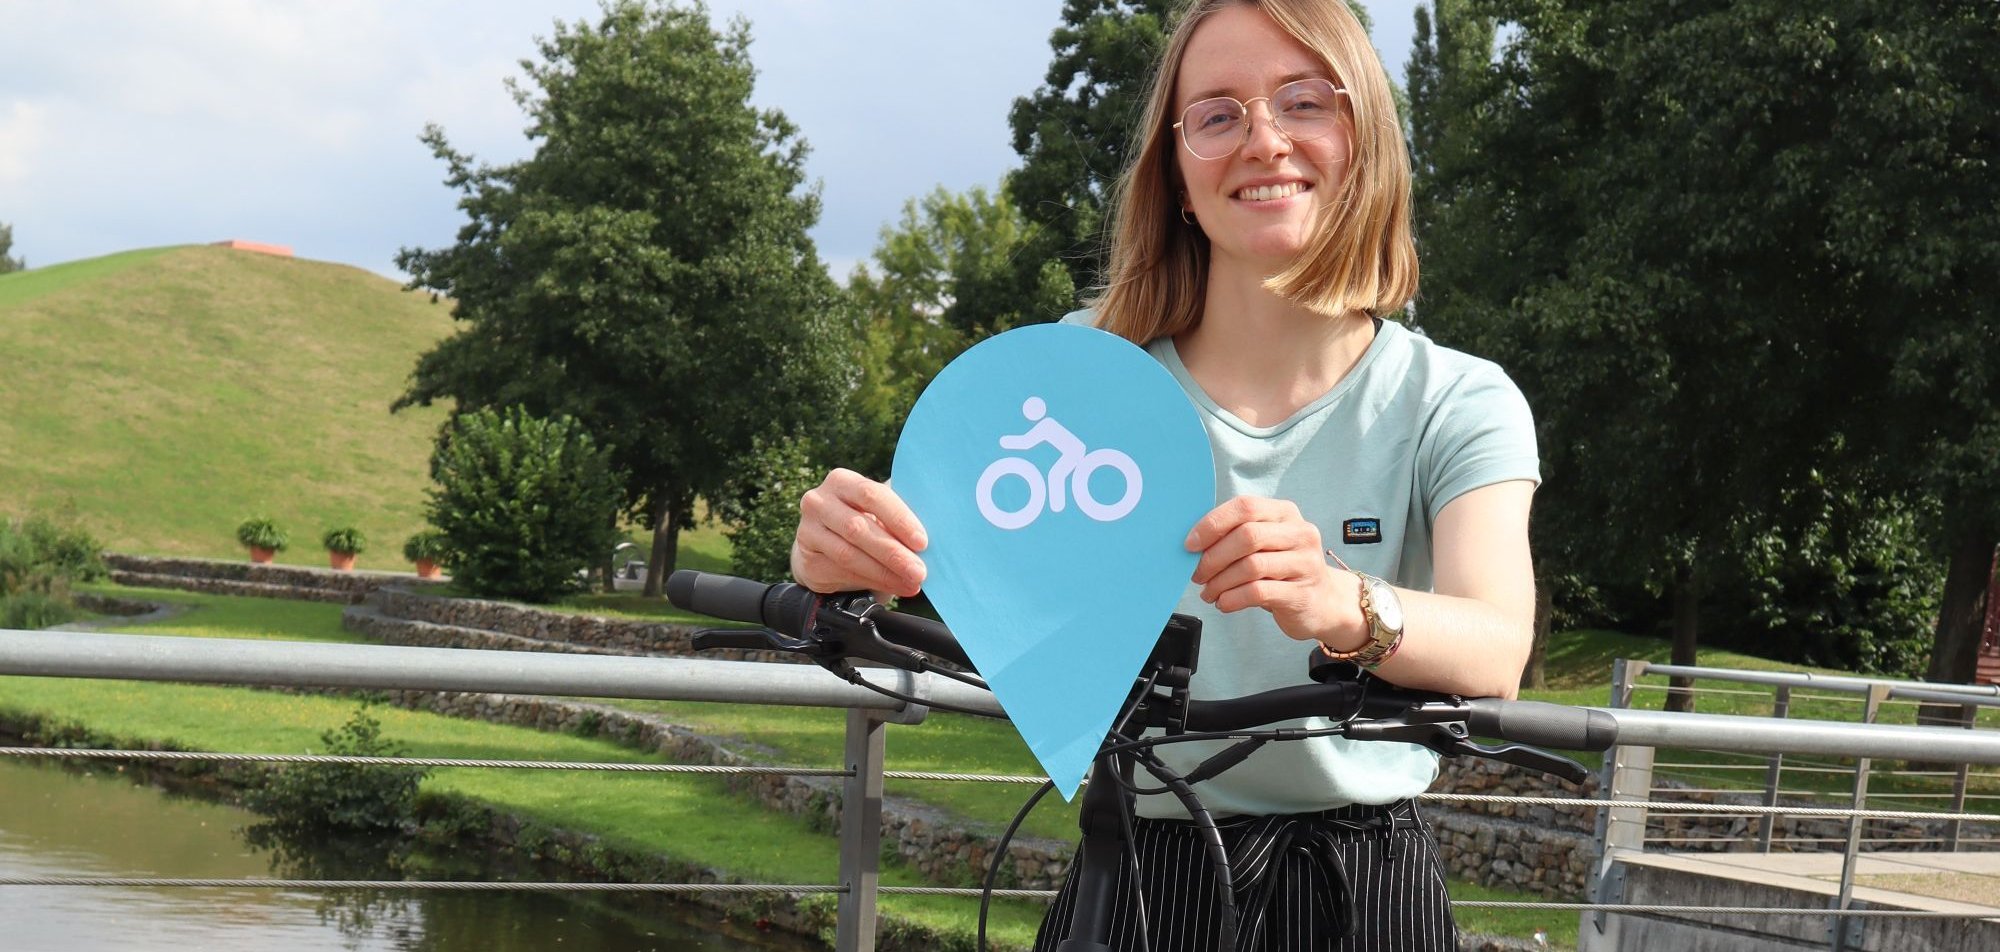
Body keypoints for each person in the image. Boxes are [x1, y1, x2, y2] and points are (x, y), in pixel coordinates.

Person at [791, 1, 1539, 948]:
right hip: (1138, 869)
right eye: (1218, 116)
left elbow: (1495, 644)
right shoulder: (1080, 376)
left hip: (1364, 884)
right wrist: (838, 554)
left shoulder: (1458, 399)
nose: (1264, 140)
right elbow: (942, 562)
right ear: (1179, 177)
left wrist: (1340, 601)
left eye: (1305, 102)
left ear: (1365, 143)